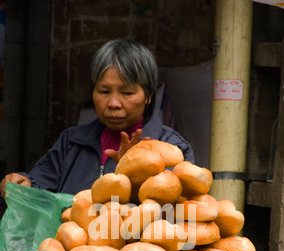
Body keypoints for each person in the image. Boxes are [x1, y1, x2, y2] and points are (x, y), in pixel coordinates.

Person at [0, 38, 194, 205]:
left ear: (148, 96)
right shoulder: (71, 142)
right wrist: (23, 184)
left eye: (127, 93)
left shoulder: (173, 149)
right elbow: (39, 188)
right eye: (104, 91)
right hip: (70, 248)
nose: (113, 103)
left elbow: (177, 217)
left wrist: (133, 176)